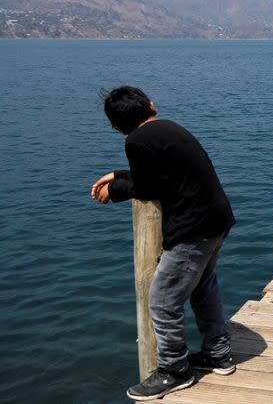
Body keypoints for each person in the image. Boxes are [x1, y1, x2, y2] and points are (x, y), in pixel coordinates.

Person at [90, 86, 236, 401]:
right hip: (217, 220)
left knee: (162, 299)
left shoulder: (136, 141)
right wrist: (115, 174)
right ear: (152, 106)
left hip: (192, 229)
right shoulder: (170, 129)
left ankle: (174, 370)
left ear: (117, 127)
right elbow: (160, 173)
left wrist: (113, 190)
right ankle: (218, 354)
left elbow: (145, 187)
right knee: (203, 287)